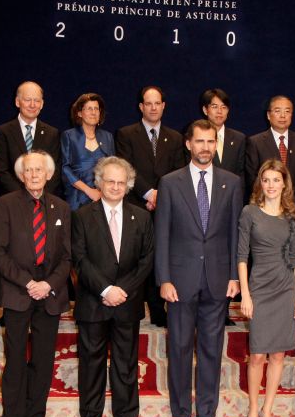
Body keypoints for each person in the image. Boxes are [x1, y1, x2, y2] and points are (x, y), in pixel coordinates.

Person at [155, 119, 242, 417]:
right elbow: (162, 233)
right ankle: (180, 415)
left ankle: (206, 414)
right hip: (180, 281)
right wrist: (164, 278)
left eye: (211, 141)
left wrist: (234, 275)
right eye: (200, 141)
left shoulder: (231, 183)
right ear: (188, 144)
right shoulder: (169, 182)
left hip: (218, 280)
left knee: (211, 348)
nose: (205, 147)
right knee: (178, 347)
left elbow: (234, 233)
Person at [0, 151, 72, 417]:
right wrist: (27, 283)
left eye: (40, 170)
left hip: (49, 296)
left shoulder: (61, 207)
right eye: (29, 171)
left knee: (42, 361)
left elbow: (66, 257)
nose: (35, 175)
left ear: (48, 174)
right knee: (15, 362)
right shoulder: (5, 205)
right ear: (21, 175)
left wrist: (47, 285)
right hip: (18, 293)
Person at [71, 156, 154, 417]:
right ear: (100, 182)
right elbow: (79, 259)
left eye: (121, 182)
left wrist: (123, 290)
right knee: (91, 362)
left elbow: (146, 260)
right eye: (110, 181)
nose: (115, 187)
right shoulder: (82, 216)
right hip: (94, 302)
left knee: (125, 363)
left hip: (127, 303)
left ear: (128, 185)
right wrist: (106, 290)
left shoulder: (142, 217)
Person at [238, 159, 295, 417]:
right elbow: (242, 257)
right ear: (260, 184)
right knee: (257, 355)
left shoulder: (292, 216)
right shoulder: (249, 212)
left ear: (284, 184)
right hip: (260, 288)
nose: (271, 185)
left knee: (278, 354)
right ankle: (253, 409)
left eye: (276, 180)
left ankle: (267, 411)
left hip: (285, 288)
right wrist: (246, 295)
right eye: (266, 180)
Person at [116, 86, 185, 328]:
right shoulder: (126, 134)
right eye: (149, 103)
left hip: (167, 208)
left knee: (160, 256)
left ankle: (158, 310)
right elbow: (126, 167)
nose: (153, 107)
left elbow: (178, 172)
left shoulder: (176, 137)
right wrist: (149, 193)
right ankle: (133, 307)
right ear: (141, 107)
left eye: (158, 103)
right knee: (136, 258)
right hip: (136, 205)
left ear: (163, 105)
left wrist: (162, 196)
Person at [200, 88, 246, 327]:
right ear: (205, 110)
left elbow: (241, 174)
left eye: (224, 107)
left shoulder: (238, 138)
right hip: (200, 206)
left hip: (228, 207)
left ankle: (224, 307)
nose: (219, 111)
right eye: (214, 106)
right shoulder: (195, 137)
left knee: (226, 254)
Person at [0, 81, 62, 197]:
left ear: (42, 104)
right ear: (17, 102)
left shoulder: (52, 133)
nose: (32, 105)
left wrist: (40, 195)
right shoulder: (3, 132)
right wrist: (24, 196)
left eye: (37, 100)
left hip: (43, 199)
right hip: (13, 199)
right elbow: (1, 171)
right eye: (27, 100)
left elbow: (55, 170)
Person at [246, 95, 295, 208]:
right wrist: (269, 201)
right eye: (277, 111)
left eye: (287, 111)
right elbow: (252, 177)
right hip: (266, 206)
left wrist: (293, 203)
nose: (283, 116)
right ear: (268, 115)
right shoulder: (255, 142)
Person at [61, 92, 115, 210]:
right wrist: (89, 191)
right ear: (79, 113)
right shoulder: (69, 136)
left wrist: (103, 191)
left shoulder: (107, 137)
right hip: (78, 197)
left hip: (103, 196)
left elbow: (113, 167)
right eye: (89, 108)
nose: (93, 112)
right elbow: (65, 168)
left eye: (96, 109)